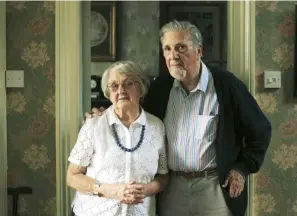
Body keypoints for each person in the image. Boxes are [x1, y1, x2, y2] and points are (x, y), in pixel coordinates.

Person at [88, 20, 271, 216]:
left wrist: (241, 169)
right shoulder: (161, 87)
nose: (173, 56)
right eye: (167, 49)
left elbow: (260, 130)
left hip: (214, 187)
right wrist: (103, 115)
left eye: (181, 47)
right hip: (172, 187)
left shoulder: (227, 85)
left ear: (199, 51)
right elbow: (135, 116)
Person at [67, 60, 169, 216]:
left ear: (140, 89)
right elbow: (72, 176)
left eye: (128, 83)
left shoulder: (157, 127)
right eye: (114, 86)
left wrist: (147, 190)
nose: (121, 90)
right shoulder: (94, 125)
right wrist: (110, 191)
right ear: (109, 94)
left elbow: (163, 176)